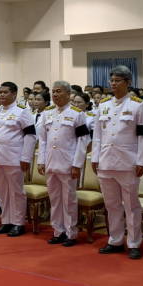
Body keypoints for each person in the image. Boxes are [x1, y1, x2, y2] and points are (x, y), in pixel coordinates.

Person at [92, 65, 143, 259]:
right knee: (112, 205)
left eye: (118, 81)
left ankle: (134, 243)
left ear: (128, 82)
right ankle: (115, 240)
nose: (113, 84)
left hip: (128, 162)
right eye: (112, 80)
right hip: (105, 161)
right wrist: (95, 157)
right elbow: (97, 135)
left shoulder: (138, 105)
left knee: (131, 206)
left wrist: (142, 160)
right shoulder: (103, 105)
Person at [37, 81, 90, 247]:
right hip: (51, 162)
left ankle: (70, 233)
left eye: (59, 91)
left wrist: (77, 164)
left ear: (68, 94)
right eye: (53, 91)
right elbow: (43, 140)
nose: (55, 94)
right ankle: (58, 231)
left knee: (69, 200)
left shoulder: (77, 113)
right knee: (55, 199)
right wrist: (41, 160)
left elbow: (83, 140)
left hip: (68, 163)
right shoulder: (47, 113)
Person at [0, 81, 36, 237]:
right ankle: (6, 221)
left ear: (14, 94)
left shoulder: (22, 112)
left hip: (14, 157)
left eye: (5, 92)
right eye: (0, 92)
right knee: (2, 191)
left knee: (16, 191)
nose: (1, 94)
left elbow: (30, 135)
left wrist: (26, 157)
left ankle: (18, 223)